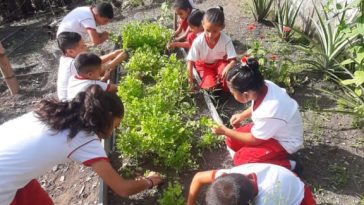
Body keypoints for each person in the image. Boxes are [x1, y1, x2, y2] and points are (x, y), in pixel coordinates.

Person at [0, 85, 162, 205]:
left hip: (9, 170)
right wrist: (149, 181)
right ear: (109, 117)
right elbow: (122, 189)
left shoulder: (56, 111)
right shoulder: (84, 139)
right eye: (116, 125)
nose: (115, 130)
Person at [212, 57, 303, 172]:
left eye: (233, 93)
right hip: (271, 130)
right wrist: (242, 115)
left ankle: (289, 165)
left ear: (245, 95)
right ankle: (262, 156)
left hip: (284, 142)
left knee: (241, 160)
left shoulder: (270, 111)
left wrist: (225, 131)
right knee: (231, 140)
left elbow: (255, 140)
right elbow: (256, 106)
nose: (232, 95)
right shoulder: (263, 87)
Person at [187, 163, 316, 205]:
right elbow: (198, 177)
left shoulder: (266, 201)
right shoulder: (235, 174)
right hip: (287, 177)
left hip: (301, 198)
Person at [56, 32, 127, 101]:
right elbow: (95, 68)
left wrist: (113, 54)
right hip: (69, 102)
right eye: (82, 47)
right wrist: (117, 60)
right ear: (70, 51)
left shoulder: (66, 60)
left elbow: (93, 63)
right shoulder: (71, 64)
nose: (86, 48)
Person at [187, 6, 237, 91]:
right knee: (210, 87)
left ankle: (221, 82)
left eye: (215, 31)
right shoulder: (198, 41)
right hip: (204, 65)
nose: (210, 35)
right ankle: (213, 81)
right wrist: (190, 82)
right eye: (207, 30)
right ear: (202, 24)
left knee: (228, 82)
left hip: (220, 63)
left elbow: (233, 60)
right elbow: (190, 62)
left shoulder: (226, 40)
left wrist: (228, 66)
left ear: (222, 27)